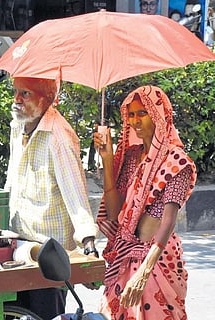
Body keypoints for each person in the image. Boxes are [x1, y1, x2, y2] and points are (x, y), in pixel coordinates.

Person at [93, 85, 196, 319]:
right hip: (125, 254)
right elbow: (114, 212)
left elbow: (168, 222)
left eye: (143, 113)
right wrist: (108, 160)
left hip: (156, 259)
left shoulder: (177, 162)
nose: (136, 121)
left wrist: (143, 273)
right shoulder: (131, 157)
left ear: (159, 115)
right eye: (131, 114)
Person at [5, 77, 100, 320]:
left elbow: (76, 195)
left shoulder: (59, 137)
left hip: (50, 251)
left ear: (47, 99)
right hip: (19, 244)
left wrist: (88, 245)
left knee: (46, 314)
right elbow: (12, 179)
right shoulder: (18, 125)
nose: (17, 99)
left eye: (25, 94)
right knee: (14, 312)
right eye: (16, 92)